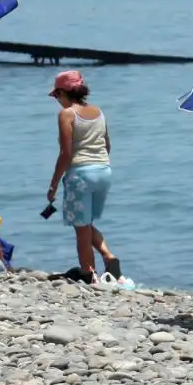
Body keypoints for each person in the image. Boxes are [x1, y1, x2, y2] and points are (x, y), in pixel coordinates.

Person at [45, 70, 121, 283]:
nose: (57, 101)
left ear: (62, 92)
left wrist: (53, 186)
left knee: (80, 228)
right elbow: (107, 145)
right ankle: (108, 255)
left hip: (80, 174)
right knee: (85, 223)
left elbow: (66, 153)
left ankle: (89, 274)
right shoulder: (99, 112)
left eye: (56, 96)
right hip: (104, 172)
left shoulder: (67, 114)